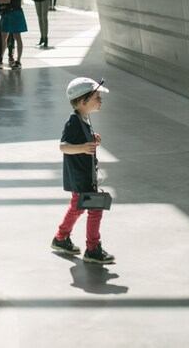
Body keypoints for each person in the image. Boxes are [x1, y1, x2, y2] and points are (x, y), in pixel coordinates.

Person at [51, 77, 114, 264]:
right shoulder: (73, 121)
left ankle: (61, 238)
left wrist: (91, 138)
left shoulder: (83, 119)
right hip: (80, 177)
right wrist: (82, 148)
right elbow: (63, 146)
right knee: (95, 209)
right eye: (96, 97)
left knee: (78, 208)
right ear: (82, 101)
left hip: (84, 176)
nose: (100, 100)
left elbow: (78, 141)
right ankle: (92, 249)